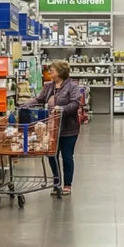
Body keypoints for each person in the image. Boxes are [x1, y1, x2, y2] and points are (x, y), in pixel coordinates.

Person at [24, 61, 86, 196]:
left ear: (61, 71)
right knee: (52, 155)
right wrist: (24, 104)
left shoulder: (72, 86)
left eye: (52, 70)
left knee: (67, 156)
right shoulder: (48, 86)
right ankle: (56, 182)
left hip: (69, 128)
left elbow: (76, 104)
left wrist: (61, 109)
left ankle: (67, 185)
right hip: (51, 128)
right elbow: (39, 99)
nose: (49, 71)